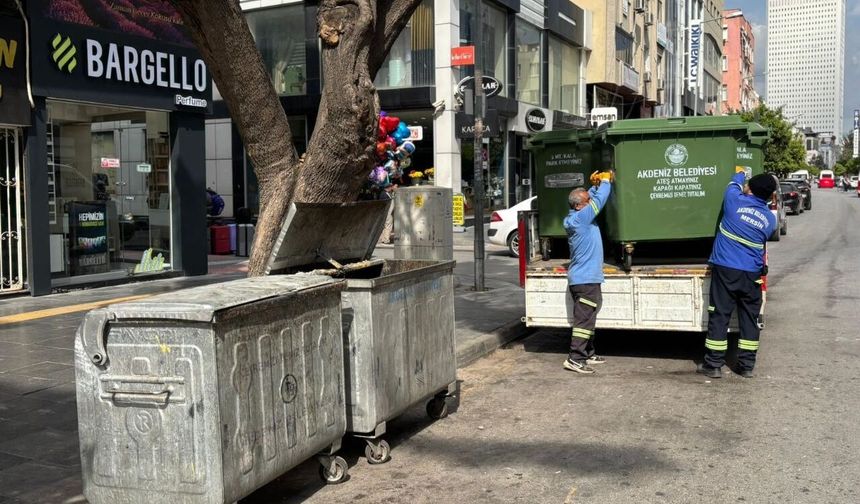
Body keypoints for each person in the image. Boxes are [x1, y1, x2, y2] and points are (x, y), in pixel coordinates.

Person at [698, 169, 777, 379]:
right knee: (750, 320)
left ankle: (713, 364)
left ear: (749, 189)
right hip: (752, 275)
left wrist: (741, 173)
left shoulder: (734, 203)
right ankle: (747, 366)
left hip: (726, 270)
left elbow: (732, 185)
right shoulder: (770, 220)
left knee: (720, 315)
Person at [562, 170, 613, 374]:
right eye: (587, 200)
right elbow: (598, 201)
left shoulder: (578, 216)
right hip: (585, 280)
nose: (590, 200)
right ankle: (575, 358)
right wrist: (606, 182)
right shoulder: (581, 219)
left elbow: (591, 198)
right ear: (578, 206)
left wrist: (594, 185)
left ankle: (588, 353)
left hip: (585, 278)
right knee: (583, 320)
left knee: (589, 317)